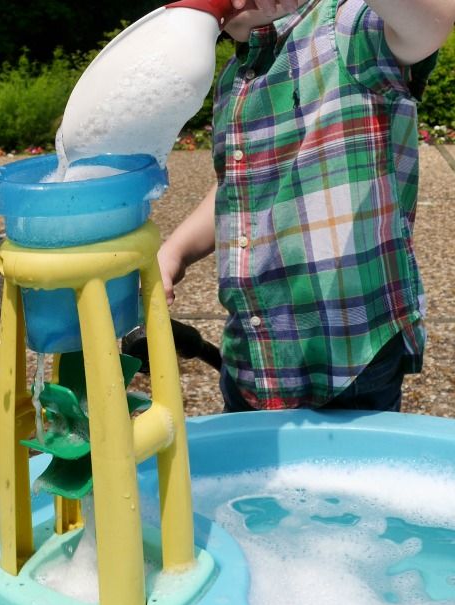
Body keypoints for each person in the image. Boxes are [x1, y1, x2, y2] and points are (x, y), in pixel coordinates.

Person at [158, 0, 455, 412]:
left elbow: (431, 23)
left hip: (349, 358)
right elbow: (237, 189)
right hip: (252, 354)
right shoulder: (235, 76)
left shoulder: (345, 29)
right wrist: (175, 251)